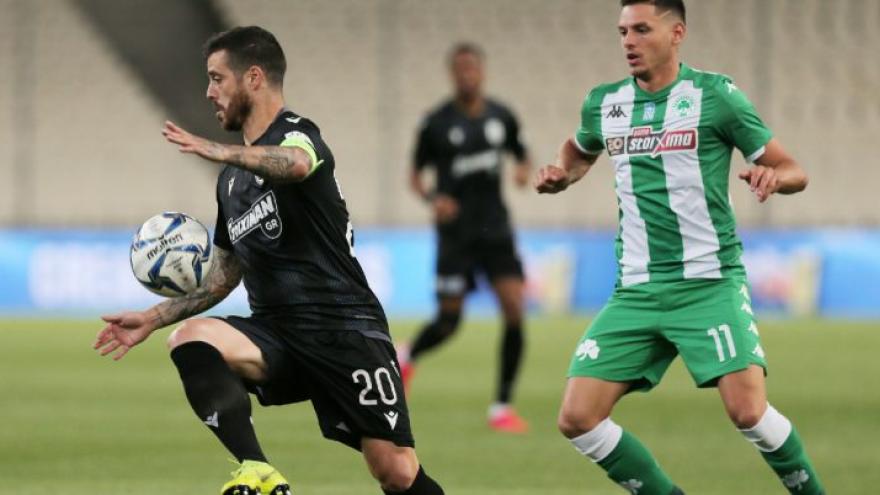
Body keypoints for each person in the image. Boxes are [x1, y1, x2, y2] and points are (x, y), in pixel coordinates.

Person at [94, 26, 444, 495]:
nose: (209, 92)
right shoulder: (230, 183)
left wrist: (218, 149)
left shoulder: (298, 133)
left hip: (343, 329)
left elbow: (297, 164)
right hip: (278, 335)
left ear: (254, 77)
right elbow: (222, 278)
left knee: (396, 472)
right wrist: (153, 318)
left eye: (217, 78)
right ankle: (256, 468)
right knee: (190, 339)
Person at [534, 1, 825, 494]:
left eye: (641, 29)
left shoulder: (716, 96)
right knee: (577, 418)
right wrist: (563, 174)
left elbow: (792, 168)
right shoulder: (604, 103)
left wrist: (775, 177)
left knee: (748, 412)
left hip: (707, 283)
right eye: (623, 31)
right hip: (637, 290)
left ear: (676, 33)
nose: (629, 41)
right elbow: (578, 149)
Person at [398, 42, 532, 433]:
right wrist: (432, 199)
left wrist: (523, 170)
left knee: (514, 308)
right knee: (448, 322)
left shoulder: (502, 116)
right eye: (460, 69)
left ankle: (502, 407)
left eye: (472, 68)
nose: (467, 75)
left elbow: (522, 153)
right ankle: (407, 355)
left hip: (496, 229)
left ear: (482, 72)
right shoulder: (436, 123)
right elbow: (414, 175)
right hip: (455, 234)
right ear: (452, 74)